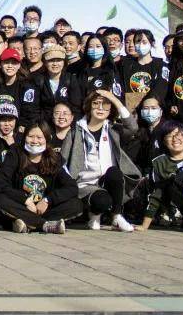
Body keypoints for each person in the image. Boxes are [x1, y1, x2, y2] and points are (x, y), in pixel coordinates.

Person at [60, 90, 140, 232]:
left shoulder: (113, 129)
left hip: (107, 180)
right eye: (96, 104)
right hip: (85, 183)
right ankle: (94, 214)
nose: (100, 108)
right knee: (102, 201)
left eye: (105, 105)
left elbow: (133, 127)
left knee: (115, 172)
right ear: (89, 106)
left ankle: (116, 216)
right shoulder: (75, 131)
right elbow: (63, 160)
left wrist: (115, 100)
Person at [0, 121, 82, 234]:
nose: (35, 141)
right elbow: (0, 183)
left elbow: (72, 187)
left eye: (39, 137)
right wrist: (25, 200)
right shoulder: (15, 153)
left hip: (44, 209)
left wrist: (48, 200)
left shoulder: (55, 158)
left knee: (76, 204)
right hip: (21, 206)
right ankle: (45, 225)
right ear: (24, 137)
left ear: (47, 139)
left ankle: (26, 223)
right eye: (30, 136)